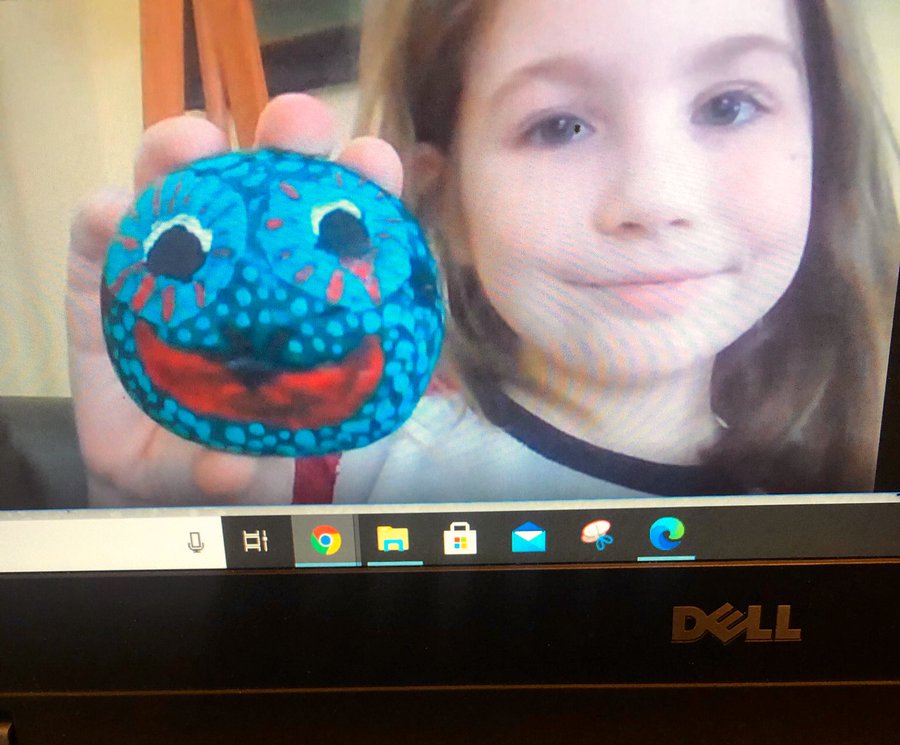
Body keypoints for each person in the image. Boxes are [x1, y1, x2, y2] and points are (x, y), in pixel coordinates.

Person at [67, 0, 898, 507]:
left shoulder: (843, 487)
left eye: (728, 105)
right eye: (559, 125)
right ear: (445, 203)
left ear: (824, 140)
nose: (656, 199)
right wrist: (149, 526)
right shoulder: (335, 475)